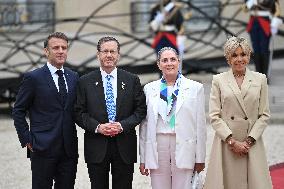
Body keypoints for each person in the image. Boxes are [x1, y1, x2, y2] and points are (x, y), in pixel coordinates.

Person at [74, 36, 147, 189]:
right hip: (96, 146)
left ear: (118, 55)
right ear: (98, 55)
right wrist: (98, 127)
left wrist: (122, 125)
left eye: (112, 51)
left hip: (124, 146)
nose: (109, 55)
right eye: (105, 51)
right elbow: (78, 112)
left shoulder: (131, 80)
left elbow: (140, 110)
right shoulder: (85, 81)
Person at [203, 36, 272, 189]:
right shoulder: (218, 80)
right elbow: (214, 116)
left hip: (252, 143)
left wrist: (248, 141)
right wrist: (232, 142)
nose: (239, 59)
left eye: (243, 54)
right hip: (227, 144)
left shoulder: (260, 79)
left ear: (249, 56)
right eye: (234, 55)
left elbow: (264, 115)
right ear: (228, 58)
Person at [12, 32, 79, 189]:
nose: (61, 51)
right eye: (56, 48)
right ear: (46, 51)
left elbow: (78, 109)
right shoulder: (33, 78)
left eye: (64, 47)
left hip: (69, 149)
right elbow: (18, 110)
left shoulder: (73, 77)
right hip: (42, 147)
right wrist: (26, 138)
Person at [139, 47, 207, 189]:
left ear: (178, 61)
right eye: (164, 60)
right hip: (158, 144)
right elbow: (144, 126)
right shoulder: (149, 89)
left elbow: (200, 126)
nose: (169, 63)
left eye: (172, 59)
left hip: (184, 144)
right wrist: (143, 158)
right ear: (158, 64)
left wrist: (200, 158)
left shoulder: (195, 88)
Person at [244, 0, 282, 77]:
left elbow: (277, 12)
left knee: (263, 48)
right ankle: (258, 74)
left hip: (265, 23)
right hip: (253, 22)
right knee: (256, 49)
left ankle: (265, 75)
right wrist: (249, 3)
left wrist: (274, 25)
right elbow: (245, 9)